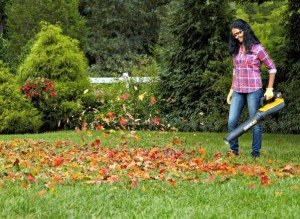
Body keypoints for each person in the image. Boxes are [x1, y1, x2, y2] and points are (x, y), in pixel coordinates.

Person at [226, 19, 277, 158]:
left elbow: (272, 68)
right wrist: (231, 90)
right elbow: (235, 71)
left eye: (239, 33)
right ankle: (233, 152)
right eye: (234, 35)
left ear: (246, 30)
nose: (237, 37)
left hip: (254, 90)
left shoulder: (257, 48)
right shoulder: (236, 50)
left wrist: (269, 88)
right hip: (238, 90)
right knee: (232, 121)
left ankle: (255, 154)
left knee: (255, 123)